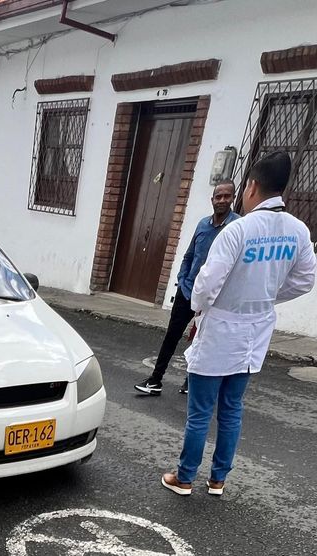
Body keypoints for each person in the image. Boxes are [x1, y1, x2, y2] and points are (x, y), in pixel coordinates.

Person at [161, 151, 316, 497]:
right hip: (256, 330)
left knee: (200, 410)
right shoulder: (298, 231)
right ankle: (218, 479)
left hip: (220, 328)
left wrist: (198, 312)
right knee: (232, 408)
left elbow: (205, 283)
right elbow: (305, 280)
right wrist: (267, 295)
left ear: (252, 187)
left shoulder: (237, 231)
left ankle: (185, 477)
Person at [135, 181, 239, 396]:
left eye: (226, 196)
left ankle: (190, 382)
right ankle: (155, 380)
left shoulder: (237, 227)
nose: (222, 200)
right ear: (212, 200)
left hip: (215, 297)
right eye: (218, 196)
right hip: (189, 291)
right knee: (172, 336)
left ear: (233, 198)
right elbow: (189, 255)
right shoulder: (202, 225)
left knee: (203, 341)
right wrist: (183, 278)